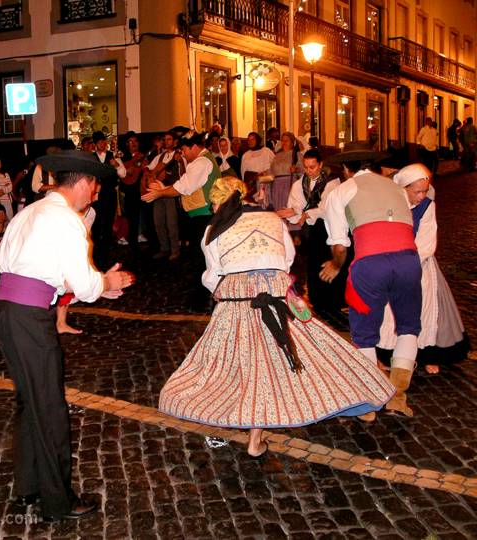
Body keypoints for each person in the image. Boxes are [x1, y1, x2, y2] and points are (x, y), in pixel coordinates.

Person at [159, 177, 394, 457]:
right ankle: (268, 431)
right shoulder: (272, 218)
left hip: (238, 296)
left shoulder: (214, 228)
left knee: (237, 363)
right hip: (274, 291)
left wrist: (224, 292)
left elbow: (213, 274)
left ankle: (244, 429)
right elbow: (287, 259)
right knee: (278, 360)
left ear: (217, 201)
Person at [0, 150, 134, 522]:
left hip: (6, 312)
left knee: (30, 401)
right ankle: (57, 502)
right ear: (84, 183)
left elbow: (32, 269)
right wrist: (106, 281)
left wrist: (99, 285)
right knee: (50, 407)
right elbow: (84, 284)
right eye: (97, 186)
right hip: (28, 318)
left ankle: (29, 486)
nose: (97, 193)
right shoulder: (67, 220)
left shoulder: (30, 211)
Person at [321, 141, 421, 419]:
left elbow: (340, 245)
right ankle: (398, 397)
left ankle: (368, 403)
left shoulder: (342, 191)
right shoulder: (397, 189)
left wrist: (336, 265)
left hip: (371, 264)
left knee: (364, 332)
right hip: (408, 261)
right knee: (409, 327)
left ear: (345, 168)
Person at [378, 164, 468, 374]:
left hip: (419, 266)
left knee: (424, 311)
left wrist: (407, 264)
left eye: (424, 191)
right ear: (404, 188)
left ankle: (426, 355)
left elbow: (426, 242)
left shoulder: (427, 206)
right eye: (416, 191)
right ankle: (389, 355)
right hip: (392, 265)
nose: (421, 196)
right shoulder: (390, 204)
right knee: (390, 313)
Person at [276, 150, 344, 316]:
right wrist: (293, 212)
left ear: (320, 165)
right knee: (313, 264)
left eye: (312, 167)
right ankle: (317, 302)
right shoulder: (300, 183)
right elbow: (298, 205)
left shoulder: (332, 181)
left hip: (329, 225)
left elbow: (326, 208)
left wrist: (307, 214)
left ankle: (332, 304)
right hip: (312, 228)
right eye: (306, 167)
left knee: (327, 261)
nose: (309, 171)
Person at [144, 130, 185, 260]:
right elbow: (148, 168)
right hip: (158, 193)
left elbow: (183, 174)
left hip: (171, 192)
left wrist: (179, 162)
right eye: (165, 140)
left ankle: (175, 250)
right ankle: (164, 248)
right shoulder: (160, 157)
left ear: (175, 142)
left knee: (171, 223)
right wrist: (150, 177)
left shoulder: (179, 156)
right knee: (158, 221)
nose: (167, 142)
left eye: (169, 139)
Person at [91, 131, 126, 266]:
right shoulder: (91, 157)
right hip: (95, 196)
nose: (103, 143)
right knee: (95, 224)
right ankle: (94, 254)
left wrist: (116, 164)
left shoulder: (113, 156)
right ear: (95, 144)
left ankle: (105, 254)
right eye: (100, 142)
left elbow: (123, 174)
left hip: (109, 194)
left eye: (104, 141)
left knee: (107, 225)